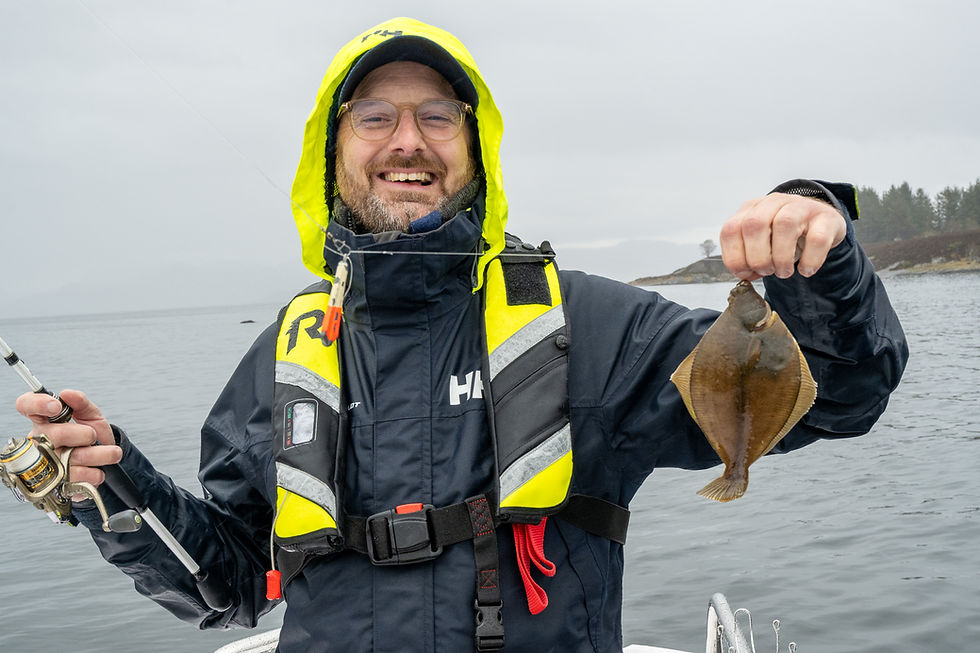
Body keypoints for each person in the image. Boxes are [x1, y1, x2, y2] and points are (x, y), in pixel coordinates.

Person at [14, 17, 907, 653]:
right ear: (332, 155)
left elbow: (841, 395)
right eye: (375, 117)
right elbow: (233, 582)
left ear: (476, 153)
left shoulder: (591, 326)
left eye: (437, 116)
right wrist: (113, 482)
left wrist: (821, 251)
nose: (407, 141)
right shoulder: (284, 356)